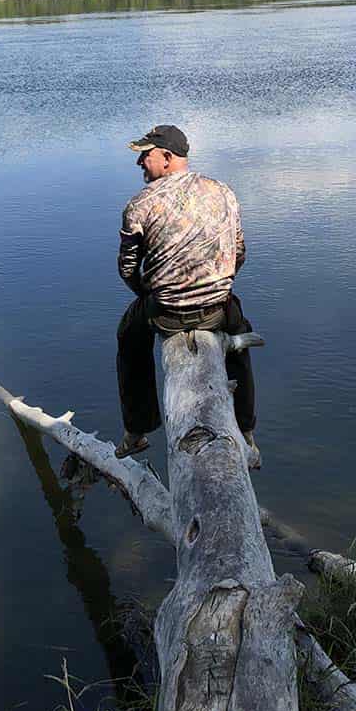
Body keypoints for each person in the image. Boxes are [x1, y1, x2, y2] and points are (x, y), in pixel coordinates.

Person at [115, 123, 259, 466]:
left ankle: (137, 431)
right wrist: (216, 283)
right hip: (216, 310)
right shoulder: (222, 191)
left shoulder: (140, 205)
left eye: (144, 156)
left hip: (167, 314)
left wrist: (148, 295)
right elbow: (239, 253)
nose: (139, 164)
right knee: (239, 338)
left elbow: (127, 269)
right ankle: (247, 430)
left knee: (129, 337)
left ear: (167, 157)